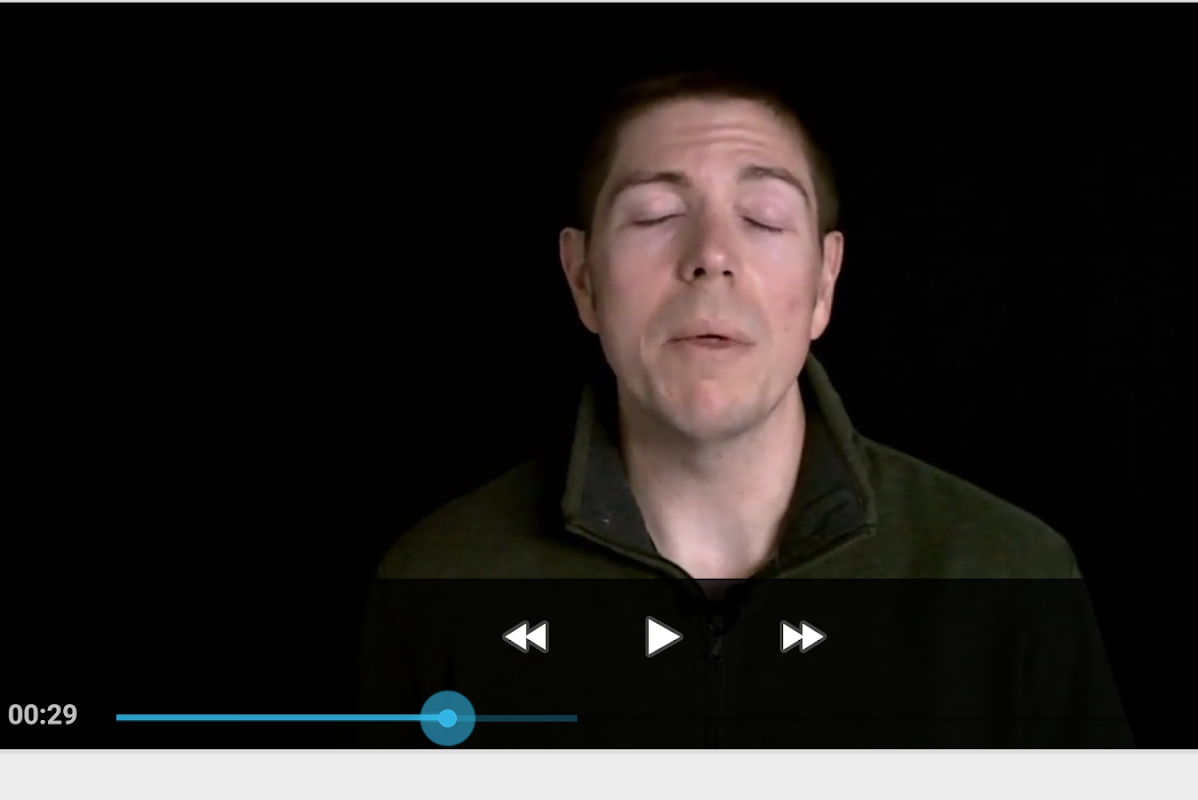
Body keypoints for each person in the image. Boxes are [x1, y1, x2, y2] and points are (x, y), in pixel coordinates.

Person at [358, 71, 1133, 748]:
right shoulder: (438, 587)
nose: (711, 255)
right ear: (583, 278)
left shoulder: (1013, 580)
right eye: (655, 215)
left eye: (762, 218)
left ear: (824, 282)